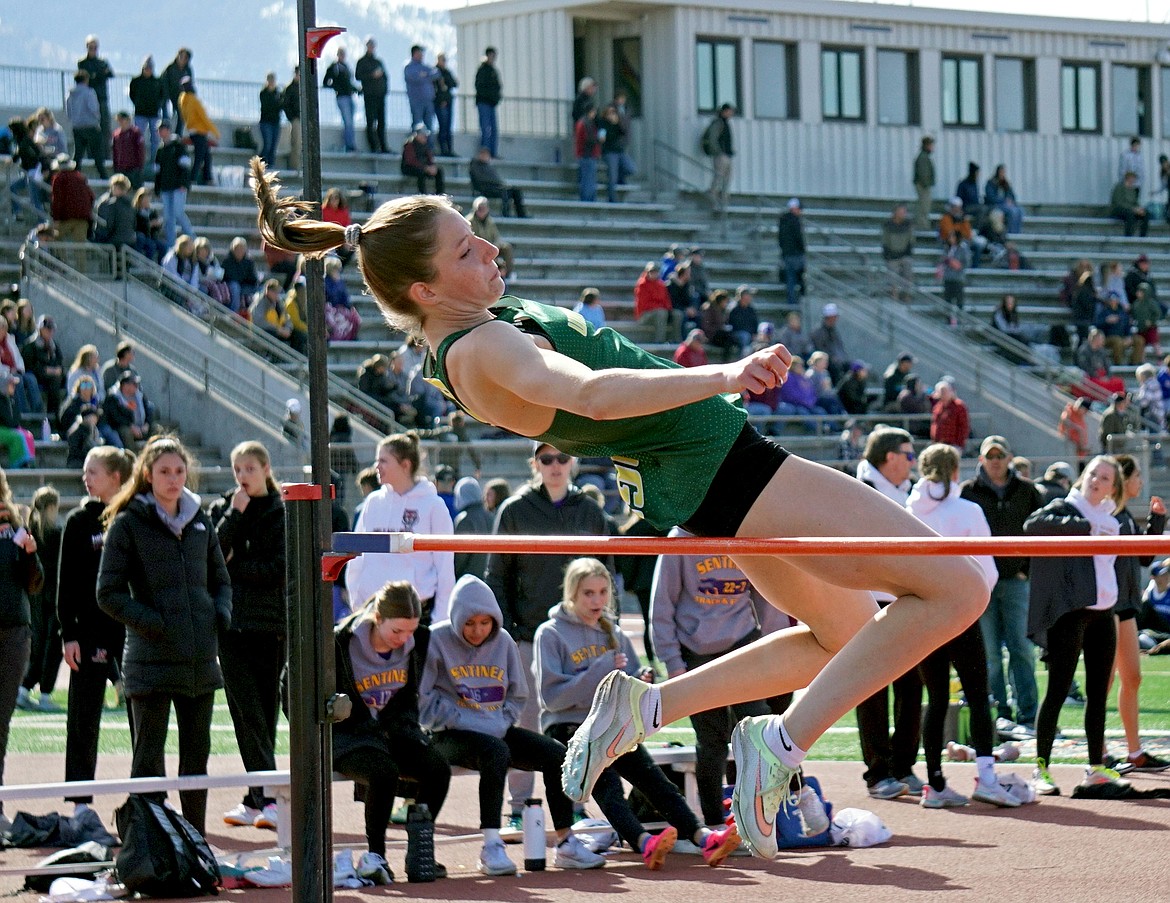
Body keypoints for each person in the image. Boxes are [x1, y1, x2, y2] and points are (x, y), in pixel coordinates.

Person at [252, 163, 990, 861]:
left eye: (477, 236)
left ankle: (644, 708)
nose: (489, 249)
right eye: (466, 250)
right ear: (425, 289)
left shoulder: (467, 333)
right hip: (722, 465)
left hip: (696, 475)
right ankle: (782, 743)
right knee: (957, 587)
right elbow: (596, 395)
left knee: (847, 633)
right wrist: (727, 374)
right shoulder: (482, 345)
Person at [535, 558, 741, 867]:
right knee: (607, 783)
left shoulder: (613, 632)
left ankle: (703, 838)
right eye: (588, 593)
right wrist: (599, 672)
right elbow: (552, 698)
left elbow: (627, 682)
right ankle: (643, 842)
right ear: (572, 596)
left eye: (603, 592)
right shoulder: (550, 634)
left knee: (652, 777)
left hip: (613, 723)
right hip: (569, 726)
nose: (597, 600)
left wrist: (642, 679)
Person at [421, 575, 606, 875]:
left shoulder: (504, 640)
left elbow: (518, 694)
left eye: (484, 622)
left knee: (556, 754)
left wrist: (500, 719)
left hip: (496, 727)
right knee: (495, 752)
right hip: (449, 734)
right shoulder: (436, 640)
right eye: (469, 623)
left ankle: (566, 842)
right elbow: (424, 701)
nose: (478, 630)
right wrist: (463, 719)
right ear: (457, 619)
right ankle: (491, 846)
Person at [97, 435, 232, 835]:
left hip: (198, 662)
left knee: (197, 762)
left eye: (179, 471)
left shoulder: (200, 520)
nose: (173, 479)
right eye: (164, 472)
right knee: (148, 764)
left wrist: (218, 615)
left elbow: (221, 580)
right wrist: (154, 622)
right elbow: (108, 593)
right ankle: (150, 848)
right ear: (148, 475)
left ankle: (196, 845)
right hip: (150, 661)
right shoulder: (128, 524)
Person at [482, 441, 608, 830]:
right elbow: (497, 576)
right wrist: (510, 630)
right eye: (546, 459)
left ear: (574, 462)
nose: (555, 465)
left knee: (579, 721)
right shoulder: (515, 509)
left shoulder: (589, 510)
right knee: (524, 722)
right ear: (535, 463)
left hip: (578, 637)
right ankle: (519, 808)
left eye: (562, 458)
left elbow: (606, 571)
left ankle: (575, 804)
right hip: (527, 636)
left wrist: (601, 627)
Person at [650, 529, 803, 827]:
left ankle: (783, 807)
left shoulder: (743, 532)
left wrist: (773, 651)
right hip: (696, 650)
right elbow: (662, 606)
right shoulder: (679, 540)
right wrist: (674, 664)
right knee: (712, 741)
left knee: (764, 730)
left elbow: (766, 597)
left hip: (741, 642)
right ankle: (714, 823)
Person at [905, 444, 1021, 808]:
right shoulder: (968, 509)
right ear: (955, 471)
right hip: (960, 613)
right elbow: (988, 569)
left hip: (924, 613)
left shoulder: (907, 510)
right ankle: (986, 778)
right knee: (976, 694)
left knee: (936, 699)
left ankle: (935, 784)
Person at [332, 581, 451, 884]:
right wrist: (324, 720)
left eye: (410, 631)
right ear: (378, 618)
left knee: (438, 769)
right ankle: (377, 856)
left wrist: (406, 728)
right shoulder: (338, 641)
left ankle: (418, 848)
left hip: (390, 732)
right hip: (348, 736)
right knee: (383, 772)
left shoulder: (418, 641)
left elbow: (407, 699)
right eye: (397, 631)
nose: (404, 639)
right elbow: (289, 685)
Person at [1026, 456, 1129, 796]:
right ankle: (1041, 769)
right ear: (1083, 477)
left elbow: (1137, 558)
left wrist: (1157, 520)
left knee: (1098, 695)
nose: (1096, 482)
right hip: (1070, 613)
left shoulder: (1112, 520)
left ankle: (1096, 768)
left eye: (1104, 478)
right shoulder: (1063, 506)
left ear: (1113, 488)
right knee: (1057, 690)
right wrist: (1083, 528)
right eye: (1092, 475)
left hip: (1103, 613)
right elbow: (1033, 525)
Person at [209, 441, 286, 832]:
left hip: (270, 626)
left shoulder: (280, 509)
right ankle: (264, 797)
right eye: (237, 469)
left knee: (264, 714)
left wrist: (236, 565)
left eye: (250, 469)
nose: (242, 477)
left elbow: (277, 567)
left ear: (266, 468)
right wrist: (234, 517)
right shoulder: (226, 507)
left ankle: (261, 796)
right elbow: (213, 556)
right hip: (232, 624)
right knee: (245, 713)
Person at [57, 447, 135, 822]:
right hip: (88, 636)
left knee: (143, 718)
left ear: (116, 477)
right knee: (82, 718)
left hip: (131, 635)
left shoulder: (135, 515)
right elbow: (66, 585)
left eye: (94, 472)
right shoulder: (77, 521)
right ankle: (79, 803)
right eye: (86, 472)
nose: (86, 478)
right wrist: (67, 633)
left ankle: (148, 798)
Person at [852, 428, 923, 800]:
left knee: (911, 685)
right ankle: (878, 772)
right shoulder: (860, 489)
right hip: (869, 600)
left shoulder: (903, 491)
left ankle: (903, 765)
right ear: (890, 456)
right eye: (909, 455)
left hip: (902, 597)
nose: (913, 463)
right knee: (873, 687)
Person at [961, 436, 1044, 738]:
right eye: (990, 455)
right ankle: (999, 713)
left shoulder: (1028, 491)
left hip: (1015, 580)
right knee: (990, 653)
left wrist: (1027, 570)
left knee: (1022, 648)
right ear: (981, 460)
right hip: (981, 582)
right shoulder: (967, 492)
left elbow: (1041, 531)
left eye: (1000, 455)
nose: (995, 460)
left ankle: (1028, 712)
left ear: (1010, 458)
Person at [346, 432, 455, 625]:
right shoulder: (372, 502)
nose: (376, 467)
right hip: (373, 610)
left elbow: (445, 566)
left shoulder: (433, 506)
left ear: (405, 465)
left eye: (383, 461)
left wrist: (441, 619)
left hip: (416, 613)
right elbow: (357, 556)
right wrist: (357, 602)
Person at [1108, 454, 1169, 774]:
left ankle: (1135, 752)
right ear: (1123, 479)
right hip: (1107, 607)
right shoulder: (1106, 515)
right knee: (1101, 684)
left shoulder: (1126, 516)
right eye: (1136, 477)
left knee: (1132, 676)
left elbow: (1144, 559)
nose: (1141, 483)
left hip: (1127, 606)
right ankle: (1100, 752)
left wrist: (1156, 523)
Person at [0, 469, 43, 829]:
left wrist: (29, 552)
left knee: (0, 723)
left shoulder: (15, 524)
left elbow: (34, 583)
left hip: (13, 632)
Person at [16, 487, 61, 715]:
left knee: (38, 643)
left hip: (34, 594)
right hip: (54, 595)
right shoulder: (57, 533)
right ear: (52, 507)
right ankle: (44, 694)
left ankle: (24, 689)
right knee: (53, 647)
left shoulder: (29, 530)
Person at [153, 121, 194, 248]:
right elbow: (157, 172)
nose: (162, 132)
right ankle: (171, 246)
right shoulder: (160, 150)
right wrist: (157, 188)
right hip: (166, 188)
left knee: (178, 213)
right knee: (168, 219)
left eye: (164, 129)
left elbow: (186, 167)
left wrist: (184, 184)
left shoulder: (178, 146)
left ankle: (193, 239)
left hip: (178, 188)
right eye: (160, 130)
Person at [78, 35, 114, 160]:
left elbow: (110, 74)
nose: (93, 49)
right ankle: (91, 156)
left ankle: (105, 156)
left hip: (102, 99)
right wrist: (99, 75)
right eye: (90, 47)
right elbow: (86, 78)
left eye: (95, 47)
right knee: (89, 128)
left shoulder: (102, 62)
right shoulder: (82, 63)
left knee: (105, 129)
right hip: (88, 101)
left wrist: (95, 76)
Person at [177, 79, 217, 186]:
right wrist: (215, 132)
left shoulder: (181, 99)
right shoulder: (193, 100)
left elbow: (183, 116)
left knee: (206, 155)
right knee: (200, 156)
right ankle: (193, 178)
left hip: (191, 131)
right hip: (200, 131)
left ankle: (207, 178)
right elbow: (203, 117)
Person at [469, 147, 527, 217]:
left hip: (496, 187)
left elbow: (496, 178)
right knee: (504, 192)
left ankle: (521, 214)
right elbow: (482, 179)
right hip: (486, 189)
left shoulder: (487, 166)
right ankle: (505, 213)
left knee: (515, 191)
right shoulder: (475, 165)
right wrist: (497, 183)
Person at [355, 38, 388, 154]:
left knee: (382, 122)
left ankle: (383, 146)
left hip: (380, 96)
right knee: (370, 122)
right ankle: (373, 146)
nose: (371, 47)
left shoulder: (378, 62)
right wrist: (372, 75)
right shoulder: (362, 62)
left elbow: (385, 77)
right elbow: (358, 76)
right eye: (369, 45)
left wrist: (384, 91)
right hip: (369, 96)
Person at [466, 197, 513, 278]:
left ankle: (507, 273)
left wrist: (495, 246)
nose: (482, 211)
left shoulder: (490, 221)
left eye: (484, 208)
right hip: (478, 249)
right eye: (480, 208)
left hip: (491, 246)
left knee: (507, 248)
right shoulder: (469, 221)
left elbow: (496, 237)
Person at [322, 47, 358, 153]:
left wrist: (356, 90)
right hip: (342, 97)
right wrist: (336, 87)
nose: (342, 56)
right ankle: (349, 146)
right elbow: (326, 82)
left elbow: (348, 83)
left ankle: (350, 144)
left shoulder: (346, 67)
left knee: (350, 122)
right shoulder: (334, 67)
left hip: (349, 96)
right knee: (348, 122)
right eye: (340, 54)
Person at [129, 57, 163, 163]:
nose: (148, 70)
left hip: (154, 114)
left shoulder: (157, 81)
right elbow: (132, 94)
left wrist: (158, 105)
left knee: (155, 139)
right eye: (146, 68)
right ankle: (138, 159)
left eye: (150, 68)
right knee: (138, 138)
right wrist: (138, 104)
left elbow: (162, 95)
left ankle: (154, 160)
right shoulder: (136, 81)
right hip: (140, 113)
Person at [703, 104, 735, 213]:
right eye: (729, 111)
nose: (731, 113)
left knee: (727, 178)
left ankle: (723, 199)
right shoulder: (718, 123)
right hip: (721, 156)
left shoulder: (725, 123)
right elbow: (713, 139)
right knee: (719, 176)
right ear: (724, 111)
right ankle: (713, 197)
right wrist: (719, 152)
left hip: (727, 155)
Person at [600, 104, 635, 204]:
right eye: (609, 113)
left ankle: (621, 177)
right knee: (612, 176)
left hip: (620, 151)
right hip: (610, 152)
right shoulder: (603, 125)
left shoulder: (618, 123)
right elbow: (602, 139)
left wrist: (618, 123)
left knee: (631, 169)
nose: (611, 115)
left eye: (613, 113)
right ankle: (612, 199)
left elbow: (624, 132)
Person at [633, 261, 674, 344]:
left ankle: (676, 340)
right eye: (651, 272)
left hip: (659, 311)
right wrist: (660, 307)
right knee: (661, 313)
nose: (654, 274)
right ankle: (660, 341)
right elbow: (644, 305)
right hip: (644, 315)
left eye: (655, 272)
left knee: (677, 314)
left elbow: (666, 300)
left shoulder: (661, 284)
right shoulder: (642, 285)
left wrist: (669, 309)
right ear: (647, 272)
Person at [882, 204, 915, 302]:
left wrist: (907, 253)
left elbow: (911, 240)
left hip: (904, 254)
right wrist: (888, 254)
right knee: (892, 276)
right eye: (901, 212)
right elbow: (885, 240)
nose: (903, 214)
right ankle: (894, 294)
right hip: (892, 255)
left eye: (904, 212)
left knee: (908, 273)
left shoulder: (908, 224)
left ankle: (907, 294)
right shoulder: (888, 225)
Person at [777, 198, 806, 308]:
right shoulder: (795, 221)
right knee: (800, 277)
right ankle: (800, 299)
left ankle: (791, 301)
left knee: (790, 279)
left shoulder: (783, 220)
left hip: (787, 254)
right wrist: (802, 249)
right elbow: (799, 238)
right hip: (796, 254)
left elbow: (780, 238)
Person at [404, 45, 438, 137]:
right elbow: (415, 78)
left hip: (428, 100)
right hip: (416, 101)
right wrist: (427, 76)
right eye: (419, 53)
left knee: (429, 127)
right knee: (417, 124)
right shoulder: (409, 68)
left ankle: (428, 149)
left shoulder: (425, 67)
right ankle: (416, 147)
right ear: (414, 54)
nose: (422, 55)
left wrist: (425, 75)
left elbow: (436, 73)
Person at [401, 125, 445, 195]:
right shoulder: (409, 145)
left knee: (438, 171)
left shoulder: (425, 146)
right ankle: (422, 195)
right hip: (409, 168)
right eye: (423, 134)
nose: (425, 137)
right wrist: (425, 168)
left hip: (423, 167)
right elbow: (411, 161)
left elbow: (430, 158)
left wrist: (432, 166)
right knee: (420, 172)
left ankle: (440, 194)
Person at [475, 48, 502, 158]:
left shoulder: (493, 71)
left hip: (492, 104)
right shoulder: (482, 70)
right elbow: (479, 86)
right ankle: (485, 154)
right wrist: (489, 95)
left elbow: (498, 86)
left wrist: (496, 97)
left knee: (494, 130)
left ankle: (493, 153)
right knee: (486, 129)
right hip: (484, 103)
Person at [929, 379, 969, 453]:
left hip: (953, 445)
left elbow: (964, 426)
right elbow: (934, 424)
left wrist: (959, 444)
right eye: (941, 392)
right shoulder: (937, 407)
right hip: (939, 444)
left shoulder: (959, 406)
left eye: (945, 392)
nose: (943, 394)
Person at [983, 164, 1024, 234]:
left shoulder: (1006, 183)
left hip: (1006, 205)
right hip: (996, 205)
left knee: (1020, 211)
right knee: (1013, 212)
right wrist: (1004, 201)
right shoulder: (990, 183)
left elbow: (1012, 195)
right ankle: (1011, 233)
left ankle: (1017, 232)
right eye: (1001, 172)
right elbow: (991, 198)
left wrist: (1010, 200)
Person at [160, 48, 193, 133]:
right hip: (167, 93)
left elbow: (190, 84)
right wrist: (165, 96)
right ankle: (164, 134)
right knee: (165, 115)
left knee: (181, 115)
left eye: (185, 57)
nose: (182, 59)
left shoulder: (188, 70)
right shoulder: (170, 68)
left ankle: (178, 135)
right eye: (181, 56)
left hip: (179, 95)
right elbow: (163, 82)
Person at [574, 105, 602, 203]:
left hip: (585, 154)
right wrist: (599, 139)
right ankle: (588, 200)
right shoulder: (586, 123)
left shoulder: (582, 122)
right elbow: (588, 139)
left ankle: (587, 199)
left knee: (587, 179)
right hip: (587, 154)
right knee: (588, 179)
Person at [111, 113, 145, 190]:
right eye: (119, 120)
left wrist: (139, 167)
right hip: (121, 169)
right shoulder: (116, 134)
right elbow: (115, 152)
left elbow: (140, 151)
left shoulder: (136, 133)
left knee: (136, 191)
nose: (121, 122)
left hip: (133, 169)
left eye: (123, 120)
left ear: (128, 120)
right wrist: (115, 167)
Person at [434, 53, 458, 157]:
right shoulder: (435, 72)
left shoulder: (447, 72)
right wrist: (441, 100)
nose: (444, 62)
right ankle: (443, 149)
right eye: (442, 60)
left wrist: (445, 83)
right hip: (440, 103)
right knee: (443, 126)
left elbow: (454, 83)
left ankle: (449, 149)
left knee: (448, 126)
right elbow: (436, 88)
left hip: (449, 102)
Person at [1110, 171, 1148, 238]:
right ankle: (1128, 236)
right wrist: (1133, 209)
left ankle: (1143, 236)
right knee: (1130, 214)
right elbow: (1118, 202)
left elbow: (1135, 202)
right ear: (1128, 178)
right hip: (1119, 209)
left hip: (1131, 209)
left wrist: (1139, 209)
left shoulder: (1133, 189)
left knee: (1146, 214)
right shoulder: (1119, 187)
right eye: (1133, 178)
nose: (1134, 181)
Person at [1059, 397, 1092, 469]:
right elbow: (1064, 420)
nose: (1086, 412)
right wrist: (1077, 428)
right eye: (1085, 410)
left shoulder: (1080, 417)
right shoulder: (1070, 410)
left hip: (1080, 453)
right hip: (1072, 449)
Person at [258, 73, 283, 167]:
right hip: (265, 122)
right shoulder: (263, 93)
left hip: (275, 122)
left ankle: (271, 165)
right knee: (267, 144)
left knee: (273, 146)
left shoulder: (278, 93)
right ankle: (260, 163)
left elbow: (281, 106)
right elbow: (267, 107)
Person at [913, 136, 935, 230]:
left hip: (924, 185)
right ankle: (922, 225)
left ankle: (923, 224)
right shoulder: (923, 158)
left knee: (924, 205)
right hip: (923, 186)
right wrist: (926, 184)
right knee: (924, 206)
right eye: (931, 145)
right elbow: (923, 173)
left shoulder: (924, 156)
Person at [283, 66, 301, 171]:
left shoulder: (303, 87)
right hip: (295, 119)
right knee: (296, 144)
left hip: (303, 120)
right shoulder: (290, 88)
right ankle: (294, 167)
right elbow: (286, 104)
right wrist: (291, 117)